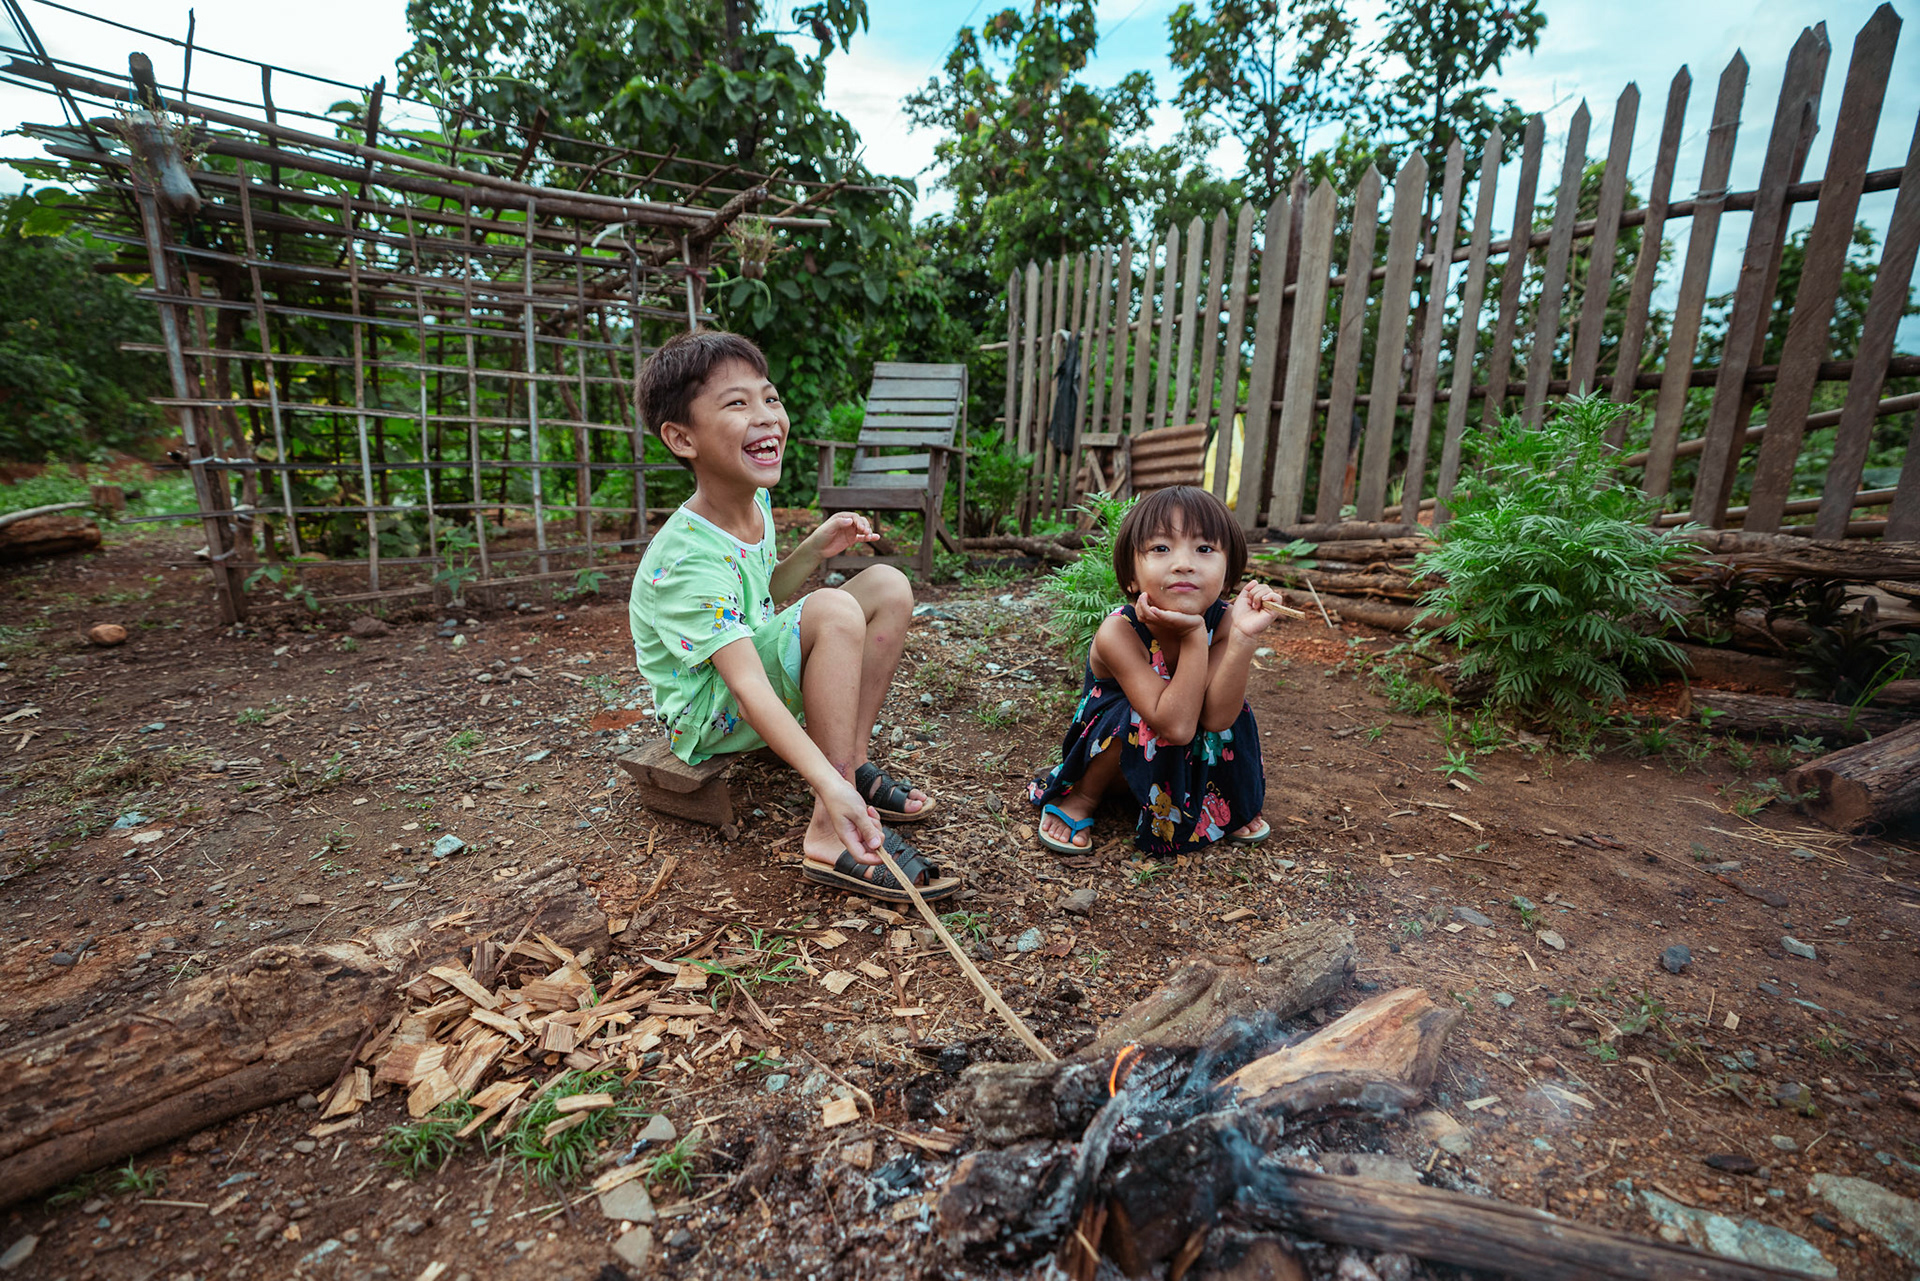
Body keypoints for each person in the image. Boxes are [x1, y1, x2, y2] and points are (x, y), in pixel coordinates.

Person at [628, 329, 958, 903]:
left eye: (770, 398)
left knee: (888, 584)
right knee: (832, 608)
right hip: (708, 714)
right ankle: (829, 832)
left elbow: (758, 594)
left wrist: (812, 550)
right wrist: (822, 785)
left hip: (743, 674)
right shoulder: (684, 560)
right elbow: (749, 684)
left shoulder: (752, 501)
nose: (767, 417)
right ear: (682, 438)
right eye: (737, 404)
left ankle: (850, 765)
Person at [1029, 485, 1280, 856]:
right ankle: (1083, 795)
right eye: (1161, 548)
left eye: (1205, 549)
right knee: (1135, 716)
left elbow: (1218, 717)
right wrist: (1195, 635)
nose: (1184, 563)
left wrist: (1242, 638)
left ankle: (1220, 798)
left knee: (1231, 713)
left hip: (1185, 743)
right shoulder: (1120, 631)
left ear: (1228, 578)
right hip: (1119, 756)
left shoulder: (1227, 620)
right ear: (1131, 577)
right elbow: (1174, 726)